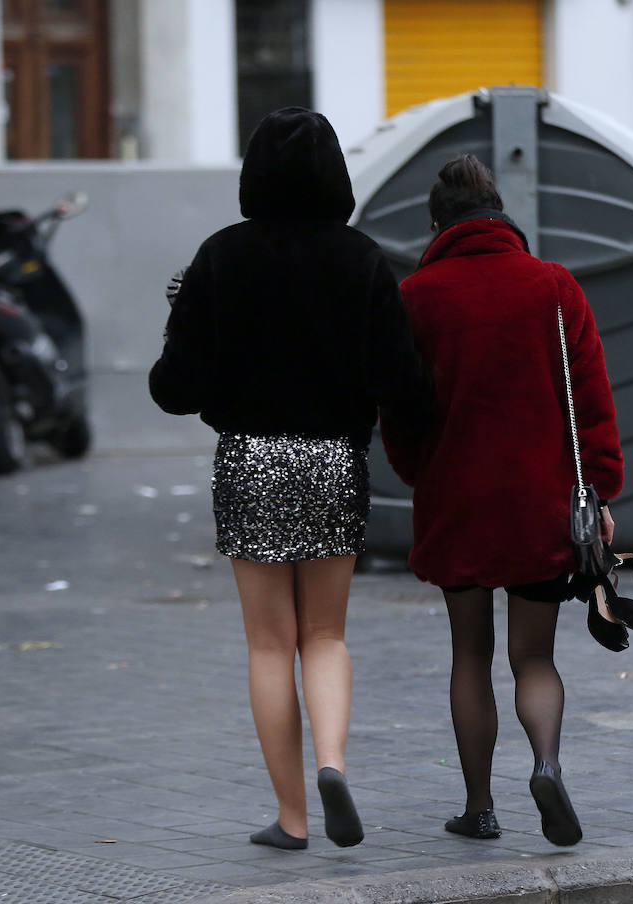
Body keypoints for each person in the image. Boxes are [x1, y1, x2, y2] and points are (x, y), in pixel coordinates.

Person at [148, 107, 430, 850]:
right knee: (326, 635)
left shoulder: (220, 257)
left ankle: (293, 816)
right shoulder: (363, 259)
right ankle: (333, 763)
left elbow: (174, 389)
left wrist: (183, 321)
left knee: (269, 645)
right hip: (333, 459)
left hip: (250, 460)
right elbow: (404, 384)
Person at [382, 154, 624, 847]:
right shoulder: (553, 286)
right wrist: (600, 488)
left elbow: (399, 410)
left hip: (456, 500)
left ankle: (479, 807)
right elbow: (591, 401)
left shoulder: (416, 296)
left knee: (470, 654)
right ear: (501, 214)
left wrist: (419, 472)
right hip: (539, 503)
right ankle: (546, 763)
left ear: (438, 225)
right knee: (534, 657)